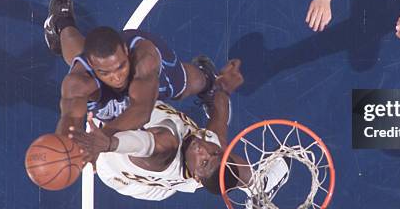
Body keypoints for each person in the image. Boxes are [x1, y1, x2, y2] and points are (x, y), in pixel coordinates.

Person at [69, 60, 289, 200]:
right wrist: (222, 88)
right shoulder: (209, 151)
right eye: (214, 153)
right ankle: (257, 186)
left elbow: (147, 145)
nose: (204, 150)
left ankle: (61, 26)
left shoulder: (167, 146)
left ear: (196, 176)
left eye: (203, 161)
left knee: (94, 84)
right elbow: (218, 128)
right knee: (231, 164)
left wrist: (107, 143)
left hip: (122, 175)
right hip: (172, 175)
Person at [44, 0, 218, 135]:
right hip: (95, 75)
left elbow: (142, 111)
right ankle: (61, 21)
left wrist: (102, 139)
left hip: (145, 79)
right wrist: (66, 146)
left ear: (126, 52)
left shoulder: (145, 60)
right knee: (77, 54)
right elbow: (70, 121)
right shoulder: (78, 82)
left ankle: (207, 77)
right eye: (106, 73)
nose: (116, 76)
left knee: (183, 86)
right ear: (91, 65)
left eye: (120, 67)